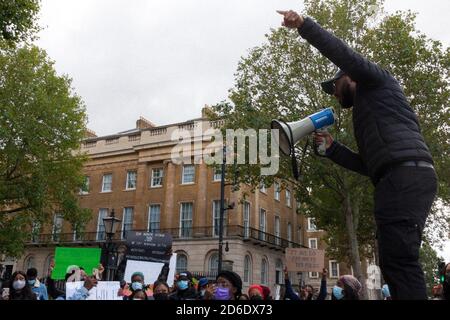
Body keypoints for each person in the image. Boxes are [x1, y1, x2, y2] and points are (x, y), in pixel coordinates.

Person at [278, 10, 437, 300]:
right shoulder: (370, 112)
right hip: (398, 177)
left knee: (400, 261)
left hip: (404, 176)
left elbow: (344, 54)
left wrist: (304, 25)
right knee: (394, 260)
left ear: (348, 76)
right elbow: (369, 166)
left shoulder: (376, 81)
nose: (334, 96)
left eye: (334, 88)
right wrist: (333, 149)